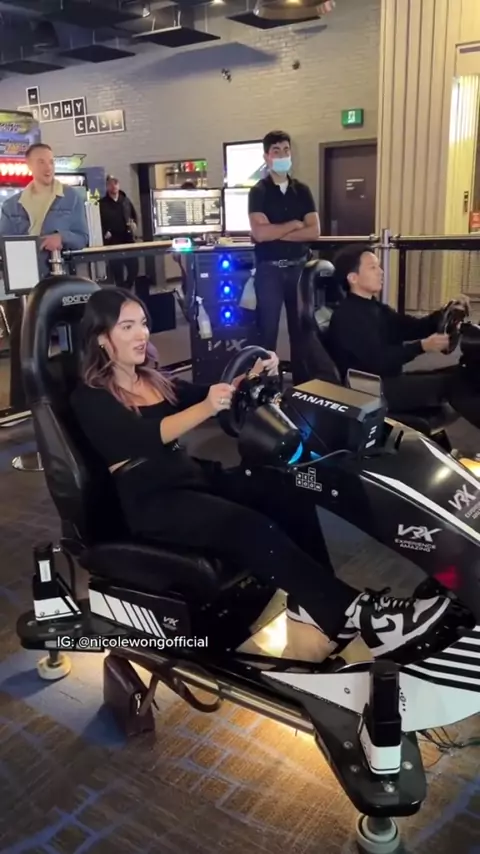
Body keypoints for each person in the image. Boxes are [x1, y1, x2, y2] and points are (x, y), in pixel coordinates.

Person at [70, 287, 452, 663]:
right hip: (154, 501)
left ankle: (313, 612)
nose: (141, 334)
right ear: (102, 338)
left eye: (142, 323)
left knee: (288, 485)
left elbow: (207, 393)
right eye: (127, 327)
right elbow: (144, 437)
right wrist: (207, 407)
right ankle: (354, 613)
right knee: (247, 525)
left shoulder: (153, 379)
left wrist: (248, 379)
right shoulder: (89, 397)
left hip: (192, 477)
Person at [327, 244, 480, 425]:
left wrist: (447, 311)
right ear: (353, 278)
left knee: (460, 373)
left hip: (387, 381)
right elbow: (379, 361)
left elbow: (413, 327)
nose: (381, 272)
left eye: (379, 267)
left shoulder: (376, 308)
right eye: (373, 268)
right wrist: (422, 346)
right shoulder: (348, 316)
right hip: (370, 389)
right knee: (452, 384)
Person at [248, 131, 320, 377]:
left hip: (299, 269)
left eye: (286, 150)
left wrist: (276, 231)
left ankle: (302, 385)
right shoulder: (258, 192)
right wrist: (294, 225)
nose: (282, 155)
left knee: (301, 332)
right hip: (269, 270)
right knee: (266, 333)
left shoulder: (303, 190)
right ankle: (265, 387)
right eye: (276, 151)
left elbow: (314, 231)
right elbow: (260, 233)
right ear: (266, 157)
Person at [0, 142, 89, 274]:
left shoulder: (71, 197)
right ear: (29, 165)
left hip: (60, 273)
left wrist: (62, 237)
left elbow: (82, 238)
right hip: (23, 273)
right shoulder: (11, 205)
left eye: (51, 162)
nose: (48, 167)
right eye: (41, 162)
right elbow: (3, 244)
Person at [99, 175, 139, 289]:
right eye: (111, 184)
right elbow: (98, 222)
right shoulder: (102, 204)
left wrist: (134, 225)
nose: (114, 186)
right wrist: (104, 232)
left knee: (134, 268)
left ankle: (127, 288)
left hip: (128, 239)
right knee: (117, 271)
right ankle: (121, 291)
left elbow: (134, 217)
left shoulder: (125, 201)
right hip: (113, 242)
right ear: (107, 186)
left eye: (115, 183)